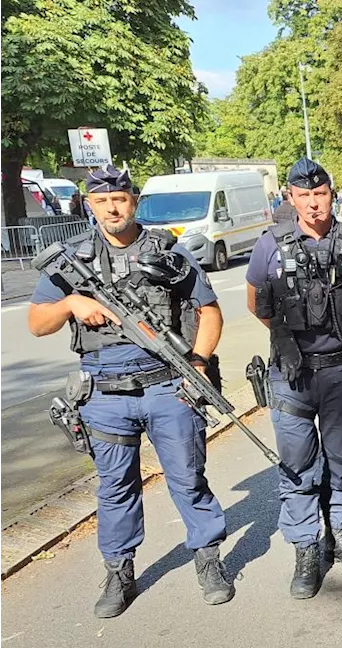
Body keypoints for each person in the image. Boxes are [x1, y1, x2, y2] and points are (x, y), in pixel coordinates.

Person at [27, 165, 234, 618]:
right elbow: (37, 323)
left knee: (188, 478)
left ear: (133, 201)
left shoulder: (167, 251)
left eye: (118, 199)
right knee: (115, 487)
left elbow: (210, 312)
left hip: (167, 386)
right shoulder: (73, 257)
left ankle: (208, 559)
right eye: (101, 201)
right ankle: (119, 571)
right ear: (89, 205)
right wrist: (69, 303)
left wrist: (196, 365)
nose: (111, 208)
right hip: (103, 394)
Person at [245, 158, 342, 599]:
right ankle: (306, 547)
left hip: (341, 370)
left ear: (332, 194)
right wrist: (291, 340)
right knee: (298, 465)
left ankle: (340, 532)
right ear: (291, 197)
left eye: (320, 194)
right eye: (303, 195)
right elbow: (257, 305)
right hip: (291, 372)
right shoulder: (270, 245)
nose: (313, 203)